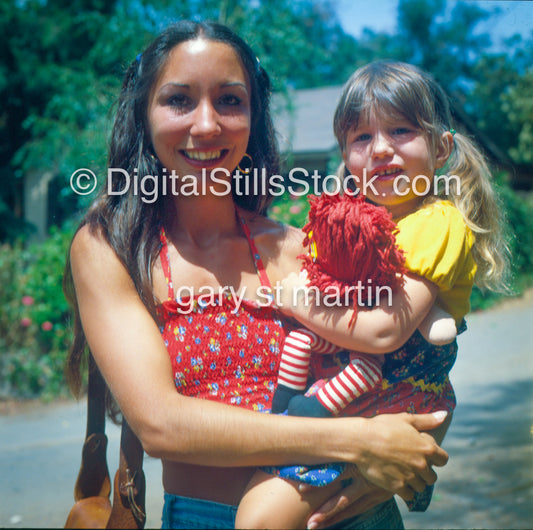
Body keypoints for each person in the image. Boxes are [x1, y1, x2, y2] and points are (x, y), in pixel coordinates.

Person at [63, 25, 450, 530]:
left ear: (252, 115)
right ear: (142, 113)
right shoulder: (111, 250)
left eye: (229, 100)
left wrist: (388, 465)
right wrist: (360, 441)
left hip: (350, 510)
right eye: (178, 100)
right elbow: (161, 424)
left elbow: (417, 365)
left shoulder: (296, 245)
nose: (207, 125)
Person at [235, 61, 510, 529]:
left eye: (401, 130)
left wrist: (288, 296)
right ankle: (289, 411)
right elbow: (319, 275)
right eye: (362, 137)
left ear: (442, 148)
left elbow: (385, 329)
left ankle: (296, 419)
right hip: (353, 392)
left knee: (259, 519)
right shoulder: (350, 220)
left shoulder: (436, 221)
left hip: (391, 394)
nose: (381, 149)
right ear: (345, 154)